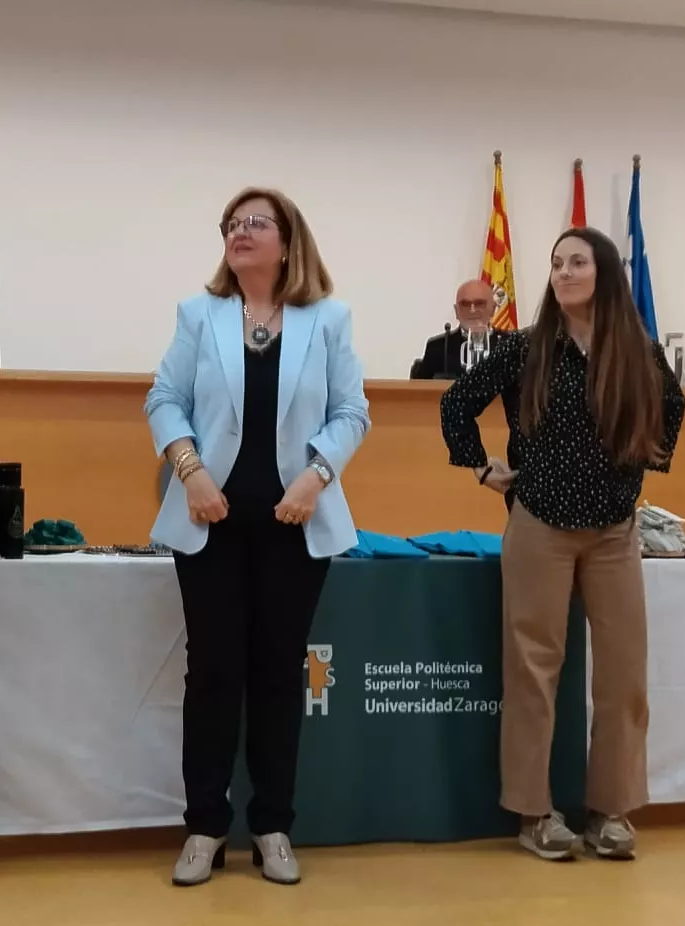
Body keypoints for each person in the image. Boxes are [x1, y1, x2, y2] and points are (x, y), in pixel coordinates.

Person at [144, 187, 369, 887]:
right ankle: (205, 827)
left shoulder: (327, 319)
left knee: (277, 675)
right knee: (212, 674)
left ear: (287, 240)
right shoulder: (199, 314)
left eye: (256, 223)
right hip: (208, 522)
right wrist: (190, 472)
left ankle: (273, 826)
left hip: (293, 526)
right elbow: (164, 400)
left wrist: (315, 476)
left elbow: (352, 412)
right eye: (232, 224)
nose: (240, 233)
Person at [439, 227, 684, 863]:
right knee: (533, 670)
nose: (564, 272)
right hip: (539, 526)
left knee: (624, 673)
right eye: (556, 264)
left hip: (614, 531)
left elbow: (672, 408)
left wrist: (636, 469)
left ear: (605, 273)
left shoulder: (638, 351)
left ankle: (612, 811)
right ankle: (533, 812)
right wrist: (481, 467)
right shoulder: (526, 348)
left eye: (578, 262)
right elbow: (457, 405)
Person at [409, 278, 513, 380]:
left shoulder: (510, 344)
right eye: (465, 304)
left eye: (479, 303)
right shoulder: (438, 347)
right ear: (456, 311)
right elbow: (420, 389)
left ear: (493, 309)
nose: (472, 310)